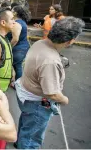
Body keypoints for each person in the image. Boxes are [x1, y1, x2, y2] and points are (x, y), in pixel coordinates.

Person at [15, 17, 85, 149]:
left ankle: (20, 143)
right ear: (70, 41)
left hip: (26, 93)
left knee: (27, 124)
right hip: (36, 103)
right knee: (32, 136)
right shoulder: (50, 61)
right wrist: (64, 100)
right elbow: (52, 93)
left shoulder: (41, 43)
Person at [7, 6, 31, 81]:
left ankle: (18, 83)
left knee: (17, 66)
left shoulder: (17, 24)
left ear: (15, 13)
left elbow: (15, 39)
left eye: (12, 10)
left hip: (18, 48)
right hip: (23, 47)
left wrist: (8, 47)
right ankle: (18, 82)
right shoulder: (22, 22)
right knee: (18, 66)